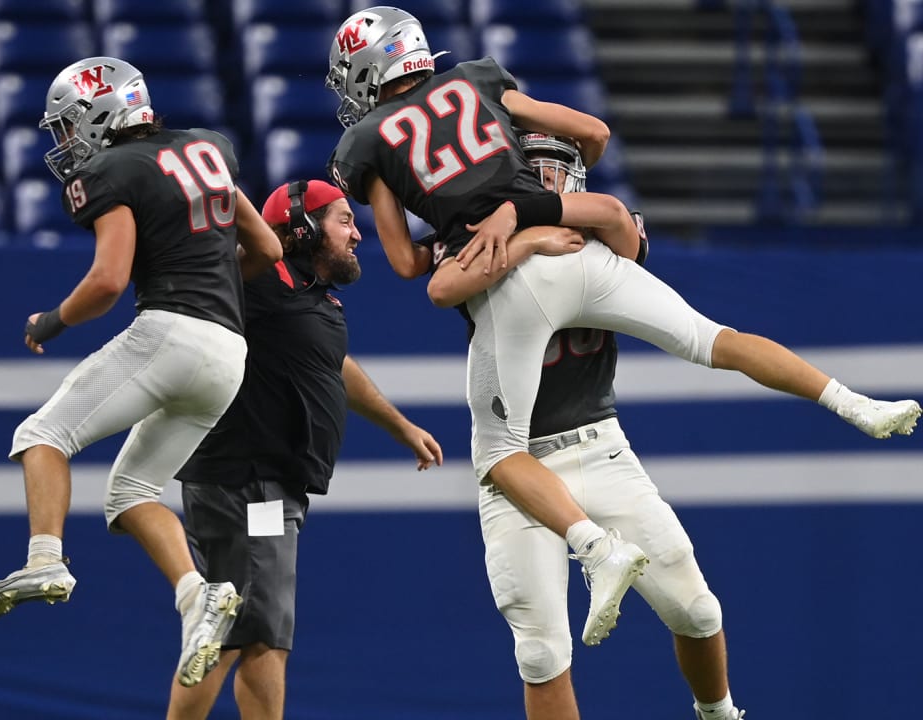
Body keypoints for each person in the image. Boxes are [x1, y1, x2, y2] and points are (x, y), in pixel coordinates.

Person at [324, 5, 920, 649]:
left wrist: (460, 240)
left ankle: (596, 549)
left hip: (507, 279)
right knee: (716, 339)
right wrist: (528, 192)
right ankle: (852, 402)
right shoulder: (476, 79)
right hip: (577, 246)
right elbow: (592, 132)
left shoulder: (367, 143)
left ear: (367, 67)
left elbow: (410, 265)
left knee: (499, 456)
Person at [0, 57, 283, 688]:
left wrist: (50, 321)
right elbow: (267, 248)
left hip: (170, 329)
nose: (65, 143)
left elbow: (108, 279)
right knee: (131, 492)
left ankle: (45, 559)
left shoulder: (112, 168)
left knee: (42, 436)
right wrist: (210, 283)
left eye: (67, 126)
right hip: (228, 351)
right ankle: (198, 596)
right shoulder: (207, 147)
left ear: (99, 114)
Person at [425, 132, 744, 720]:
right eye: (534, 170)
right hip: (519, 465)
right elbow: (438, 284)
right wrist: (524, 242)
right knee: (543, 651)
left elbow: (611, 196)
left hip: (600, 443)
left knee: (697, 609)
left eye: (557, 170)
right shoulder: (483, 237)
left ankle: (719, 713)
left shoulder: (605, 232)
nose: (547, 180)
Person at [166, 179, 443, 720]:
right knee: (256, 634)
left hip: (264, 483)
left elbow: (332, 365)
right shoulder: (257, 279)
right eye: (343, 219)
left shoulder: (312, 295)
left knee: (230, 633)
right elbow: (213, 264)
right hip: (246, 483)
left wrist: (399, 425)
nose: (357, 233)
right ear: (303, 227)